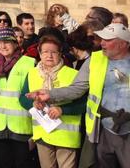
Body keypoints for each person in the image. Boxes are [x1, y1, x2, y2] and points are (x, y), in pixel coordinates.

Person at [28, 23, 130, 168]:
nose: (102, 43)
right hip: (101, 130)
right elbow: (76, 89)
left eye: (108, 40)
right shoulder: (94, 60)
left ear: (124, 43)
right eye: (102, 39)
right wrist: (50, 94)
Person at [19, 35, 84, 168]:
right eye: (45, 52)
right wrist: (33, 104)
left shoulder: (73, 74)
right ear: (40, 53)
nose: (49, 55)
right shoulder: (32, 73)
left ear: (60, 54)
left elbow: (84, 103)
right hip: (43, 134)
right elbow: (23, 98)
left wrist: (62, 110)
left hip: (66, 137)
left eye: (53, 52)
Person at [0, 27, 36, 168]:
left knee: (23, 163)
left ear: (16, 43)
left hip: (21, 126)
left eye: (7, 42)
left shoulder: (29, 63)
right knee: (4, 163)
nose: (3, 46)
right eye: (0, 42)